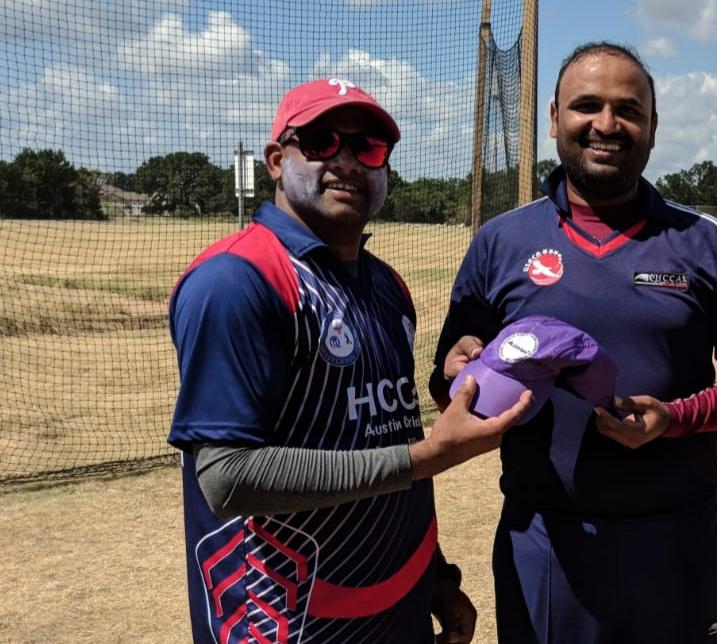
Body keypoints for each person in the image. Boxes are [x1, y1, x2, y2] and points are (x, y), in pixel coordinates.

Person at [430, 42, 717, 643]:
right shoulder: (500, 242)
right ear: (553, 119)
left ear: (653, 126)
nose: (606, 124)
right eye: (586, 105)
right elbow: (449, 389)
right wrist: (460, 374)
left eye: (628, 109)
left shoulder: (702, 240)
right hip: (544, 540)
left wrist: (674, 418)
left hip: (679, 537)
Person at [167, 78, 530, 644]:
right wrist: (430, 455)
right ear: (274, 160)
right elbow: (227, 477)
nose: (346, 159)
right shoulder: (237, 280)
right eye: (319, 140)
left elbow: (382, 431)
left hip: (395, 603)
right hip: (288, 618)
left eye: (369, 147)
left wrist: (435, 579)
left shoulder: (387, 287)